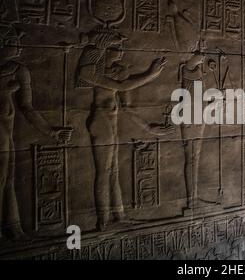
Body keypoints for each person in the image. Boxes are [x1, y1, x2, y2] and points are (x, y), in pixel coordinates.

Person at [76, 28, 167, 230]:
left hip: (110, 121)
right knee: (104, 171)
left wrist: (148, 127)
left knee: (114, 170)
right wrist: (150, 74)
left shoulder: (111, 72)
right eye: (117, 48)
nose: (121, 52)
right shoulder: (93, 72)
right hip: (100, 121)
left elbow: (125, 103)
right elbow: (124, 87)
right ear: (105, 49)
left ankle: (118, 216)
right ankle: (103, 220)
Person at [0, 23, 69, 239]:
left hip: (6, 131)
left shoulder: (19, 70)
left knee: (9, 178)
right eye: (14, 43)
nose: (19, 47)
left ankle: (13, 226)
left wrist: (51, 132)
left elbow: (27, 107)